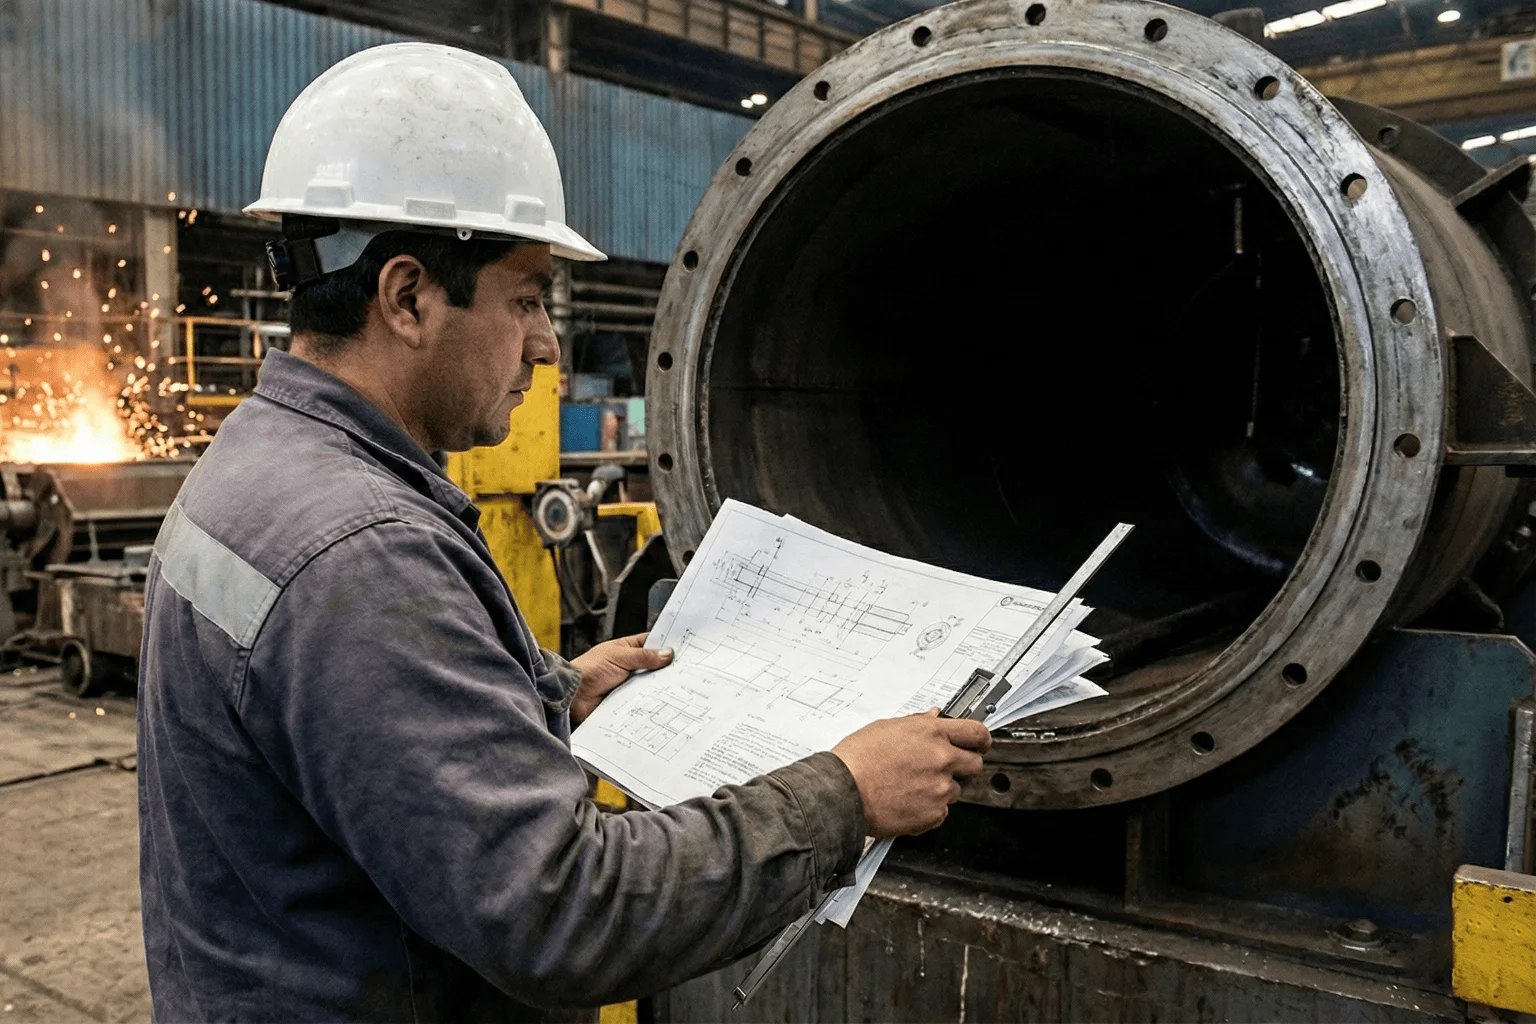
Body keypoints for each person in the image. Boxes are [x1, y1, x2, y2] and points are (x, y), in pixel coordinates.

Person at [137, 41, 991, 1022]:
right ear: (408, 297)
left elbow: (332, 726)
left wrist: (549, 690)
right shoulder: (362, 552)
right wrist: (844, 794)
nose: (547, 344)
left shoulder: (254, 467)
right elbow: (561, 912)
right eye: (528, 297)